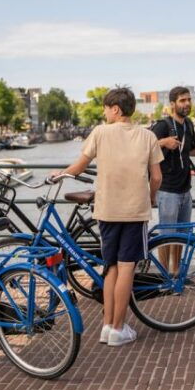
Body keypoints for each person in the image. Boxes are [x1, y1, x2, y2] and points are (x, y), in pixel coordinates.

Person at [56, 87, 163, 347]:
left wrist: (59, 174)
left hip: (106, 210)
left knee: (110, 267)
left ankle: (107, 326)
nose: (104, 113)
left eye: (105, 108)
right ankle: (118, 328)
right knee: (128, 267)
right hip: (134, 211)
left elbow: (79, 166)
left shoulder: (100, 133)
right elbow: (157, 177)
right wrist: (150, 198)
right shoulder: (147, 136)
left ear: (115, 109)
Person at [150, 87, 195, 272]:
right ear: (172, 104)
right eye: (182, 100)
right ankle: (164, 276)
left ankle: (176, 274)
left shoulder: (189, 125)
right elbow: (144, 146)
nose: (186, 104)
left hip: (185, 189)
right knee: (166, 237)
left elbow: (188, 149)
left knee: (180, 236)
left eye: (188, 100)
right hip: (167, 189)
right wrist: (163, 142)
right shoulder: (162, 125)